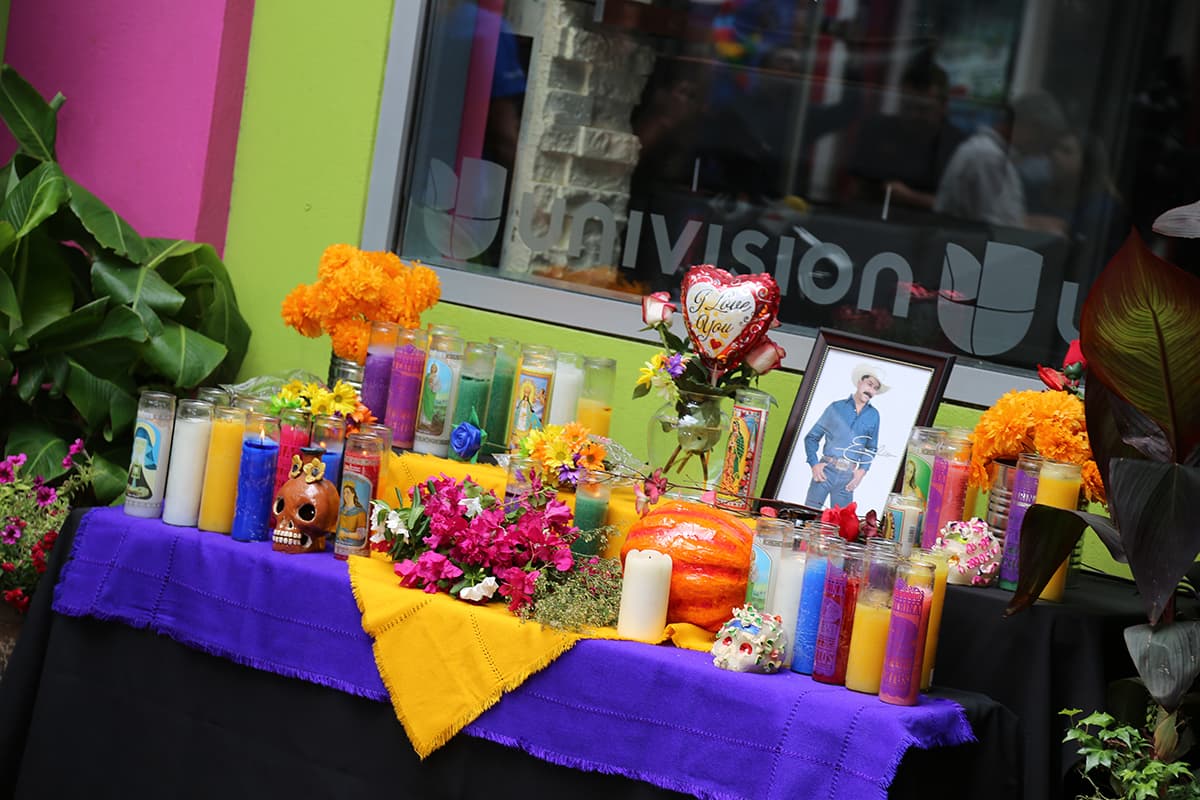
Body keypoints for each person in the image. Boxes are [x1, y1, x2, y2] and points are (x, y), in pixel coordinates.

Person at [933, 90, 1068, 228]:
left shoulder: (989, 154)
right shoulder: (989, 158)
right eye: (1045, 139)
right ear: (1030, 127)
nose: (1042, 153)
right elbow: (998, 228)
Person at [803, 363, 888, 509]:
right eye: (869, 384)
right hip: (825, 471)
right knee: (808, 515)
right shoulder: (836, 408)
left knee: (842, 525)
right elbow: (812, 437)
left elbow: (871, 447)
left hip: (847, 478)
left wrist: (862, 471)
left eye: (875, 388)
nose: (871, 391)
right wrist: (814, 464)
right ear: (860, 382)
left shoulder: (874, 416)